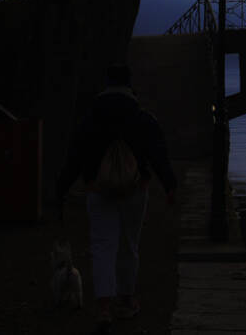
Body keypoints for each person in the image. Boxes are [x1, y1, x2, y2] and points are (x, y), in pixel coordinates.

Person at [57, 64, 177, 333]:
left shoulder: (90, 119)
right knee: (129, 245)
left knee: (102, 245)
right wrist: (169, 186)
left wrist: (62, 189)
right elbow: (158, 154)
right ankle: (126, 300)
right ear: (129, 85)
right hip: (135, 190)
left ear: (106, 85)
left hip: (97, 190)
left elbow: (74, 159)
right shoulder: (143, 118)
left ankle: (103, 308)